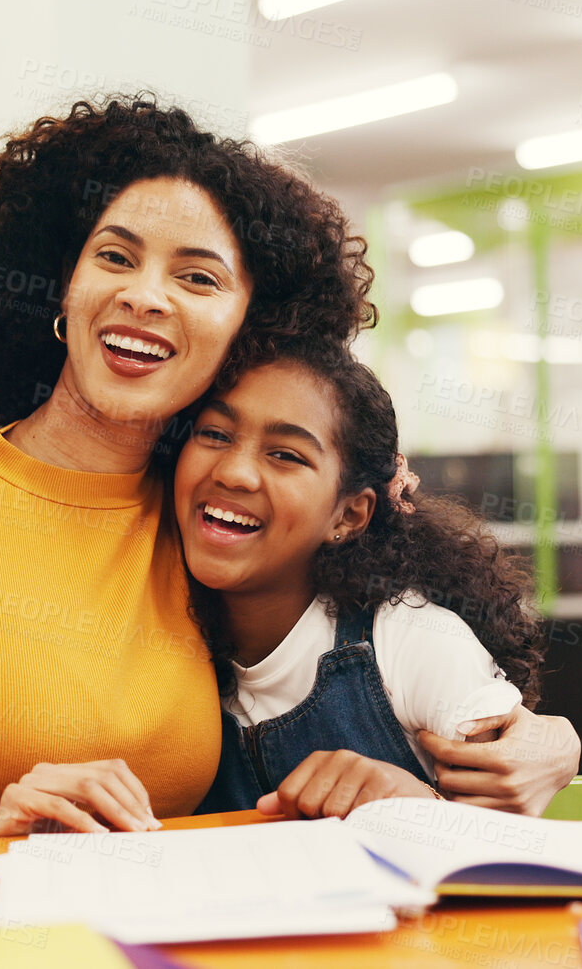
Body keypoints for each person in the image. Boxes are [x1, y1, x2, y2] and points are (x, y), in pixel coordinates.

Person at [0, 97, 576, 868]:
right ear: (57, 289)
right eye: (114, 255)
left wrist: (548, 742)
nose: (146, 294)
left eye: (197, 276)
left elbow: (392, 642)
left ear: (245, 333)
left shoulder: (210, 530)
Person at [173, 341, 553, 820]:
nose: (233, 472)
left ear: (350, 513)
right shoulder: (157, 620)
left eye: (286, 455)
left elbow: (512, 840)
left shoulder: (411, 640)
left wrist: (414, 802)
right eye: (215, 434)